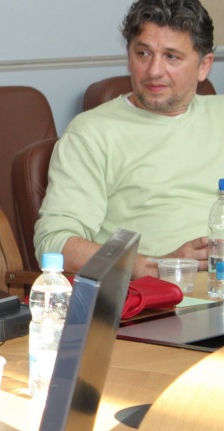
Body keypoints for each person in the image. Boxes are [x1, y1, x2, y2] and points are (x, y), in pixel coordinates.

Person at [34, 0, 222, 279]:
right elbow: (55, 243)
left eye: (171, 57)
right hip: (161, 295)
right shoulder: (91, 133)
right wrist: (156, 266)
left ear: (204, 65)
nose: (154, 70)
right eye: (143, 53)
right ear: (128, 55)